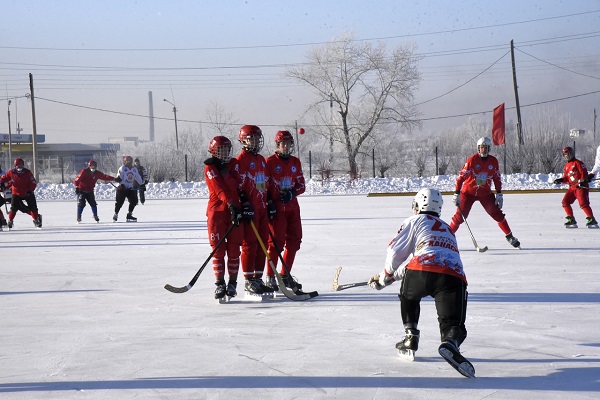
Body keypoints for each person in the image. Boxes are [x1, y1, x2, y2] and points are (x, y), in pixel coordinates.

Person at [368, 188, 475, 378]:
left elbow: (397, 253)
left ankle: (411, 336)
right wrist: (389, 278)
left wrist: (386, 275)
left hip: (421, 271)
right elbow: (432, 255)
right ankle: (450, 342)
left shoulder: (414, 220)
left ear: (417, 206)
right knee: (453, 324)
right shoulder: (448, 228)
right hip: (452, 275)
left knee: (409, 296)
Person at [449, 136, 520, 248]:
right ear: (478, 148)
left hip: (485, 194)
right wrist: (456, 193)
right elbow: (461, 177)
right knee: (460, 217)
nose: (483, 150)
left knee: (497, 213)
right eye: (481, 147)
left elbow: (497, 178)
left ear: (489, 148)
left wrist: (499, 194)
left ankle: (509, 236)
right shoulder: (472, 160)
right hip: (468, 193)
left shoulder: (493, 161)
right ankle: (446, 237)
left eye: (485, 147)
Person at [231, 124, 274, 298]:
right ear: (243, 140)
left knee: (262, 244)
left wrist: (269, 201)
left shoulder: (261, 160)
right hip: (250, 209)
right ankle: (249, 281)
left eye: (257, 138)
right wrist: (244, 204)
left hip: (262, 207)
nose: (255, 141)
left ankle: (258, 278)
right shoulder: (240, 160)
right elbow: (237, 186)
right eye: (251, 138)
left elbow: (264, 183)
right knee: (250, 244)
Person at [204, 136, 245, 300]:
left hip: (234, 210)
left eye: (227, 150)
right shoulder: (209, 167)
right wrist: (231, 203)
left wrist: (225, 172)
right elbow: (219, 189)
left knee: (234, 249)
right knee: (218, 250)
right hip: (217, 213)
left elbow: (236, 184)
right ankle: (220, 284)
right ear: (214, 151)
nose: (224, 154)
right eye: (221, 150)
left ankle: (232, 284)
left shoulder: (233, 164)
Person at [264, 130, 306, 291]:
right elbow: (263, 186)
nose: (287, 147)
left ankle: (284, 274)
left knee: (295, 241)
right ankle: (270, 277)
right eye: (284, 144)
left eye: (289, 143)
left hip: (293, 208)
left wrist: (292, 192)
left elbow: (302, 185)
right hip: (277, 210)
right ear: (278, 145)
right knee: (275, 243)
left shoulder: (296, 162)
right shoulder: (269, 162)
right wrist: (269, 202)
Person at [553, 146, 597, 228]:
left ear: (572, 154)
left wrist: (583, 182)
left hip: (581, 187)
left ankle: (591, 219)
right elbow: (567, 178)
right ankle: (571, 219)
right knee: (565, 202)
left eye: (568, 154)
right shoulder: (566, 166)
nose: (567, 156)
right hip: (572, 188)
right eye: (565, 154)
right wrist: (560, 180)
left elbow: (584, 174)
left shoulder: (579, 163)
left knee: (583, 204)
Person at [0, 158, 42, 229]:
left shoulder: (27, 172)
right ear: (15, 166)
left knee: (33, 208)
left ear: (23, 165)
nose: (19, 167)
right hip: (16, 193)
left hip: (27, 192)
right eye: (17, 165)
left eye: (20, 165)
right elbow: (4, 178)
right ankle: (10, 221)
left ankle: (36, 219)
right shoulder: (11, 172)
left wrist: (31, 190)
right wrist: (2, 183)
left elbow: (33, 182)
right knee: (14, 208)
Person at [113, 155, 144, 222]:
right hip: (122, 188)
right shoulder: (122, 168)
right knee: (119, 202)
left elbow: (138, 177)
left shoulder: (134, 169)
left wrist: (142, 184)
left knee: (134, 201)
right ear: (124, 161)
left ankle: (129, 214)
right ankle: (116, 214)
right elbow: (119, 177)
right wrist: (120, 182)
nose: (129, 162)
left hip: (129, 188)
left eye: (130, 161)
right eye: (127, 161)